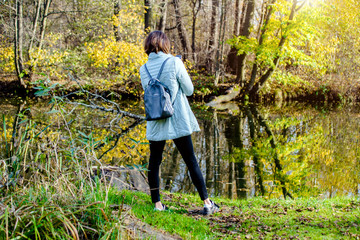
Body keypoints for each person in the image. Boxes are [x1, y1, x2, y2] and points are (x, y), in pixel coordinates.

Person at [139, 31, 219, 215]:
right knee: (190, 160)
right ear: (164, 44)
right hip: (176, 120)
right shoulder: (174, 62)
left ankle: (157, 205)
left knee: (155, 162)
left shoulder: (143, 68)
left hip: (156, 120)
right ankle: (207, 203)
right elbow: (189, 90)